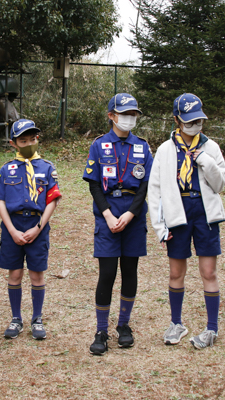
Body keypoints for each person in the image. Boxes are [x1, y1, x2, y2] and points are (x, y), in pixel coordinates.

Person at [148, 93, 225, 349]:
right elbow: (156, 190)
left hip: (205, 214)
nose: (195, 126)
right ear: (177, 120)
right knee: (176, 272)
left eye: (199, 121)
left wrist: (205, 161)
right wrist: (160, 227)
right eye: (189, 121)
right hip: (177, 213)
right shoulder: (165, 149)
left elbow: (220, 184)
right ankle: (176, 323)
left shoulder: (211, 147)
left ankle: (212, 328)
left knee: (208, 272)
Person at [83, 93, 153, 355]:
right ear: (111, 115)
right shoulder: (99, 146)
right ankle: (101, 329)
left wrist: (131, 214)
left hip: (133, 216)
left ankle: (124, 325)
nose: (129, 118)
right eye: (124, 114)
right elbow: (93, 183)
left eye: (133, 114)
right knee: (108, 273)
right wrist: (109, 215)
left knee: (130, 272)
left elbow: (146, 184)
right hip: (108, 215)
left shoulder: (143, 147)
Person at [0, 119, 62, 340]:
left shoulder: (47, 168)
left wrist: (38, 228)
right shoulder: (6, 169)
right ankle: (16, 318)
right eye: (23, 140)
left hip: (37, 226)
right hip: (13, 226)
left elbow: (52, 200)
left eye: (32, 139)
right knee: (15, 273)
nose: (29, 143)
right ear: (14, 143)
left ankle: (37, 318)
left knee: (36, 274)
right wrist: (11, 230)